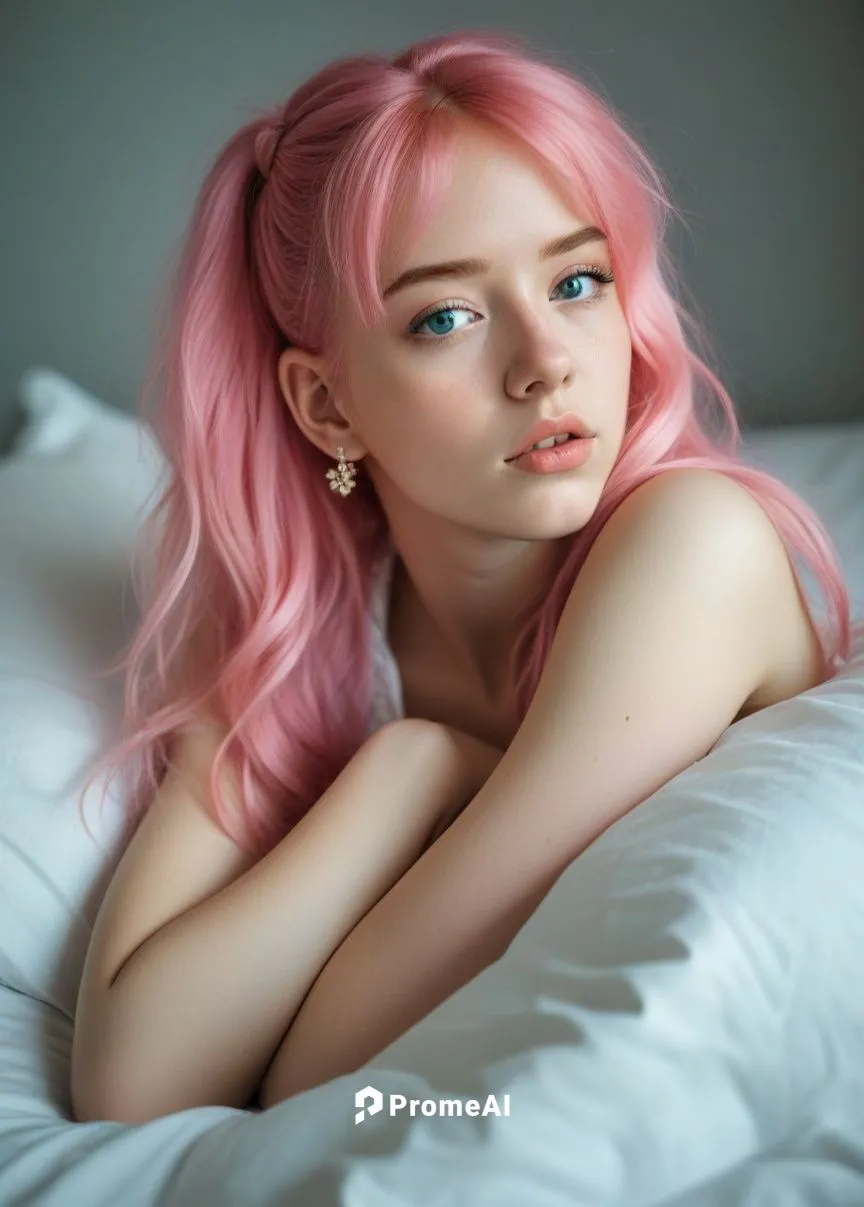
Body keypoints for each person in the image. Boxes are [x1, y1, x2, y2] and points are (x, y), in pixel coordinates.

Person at [69, 28, 852, 1124]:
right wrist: (410, 769)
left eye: (578, 280)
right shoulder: (306, 627)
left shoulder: (694, 545)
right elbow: (131, 1084)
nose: (548, 362)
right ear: (326, 405)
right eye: (449, 316)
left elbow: (316, 1075)